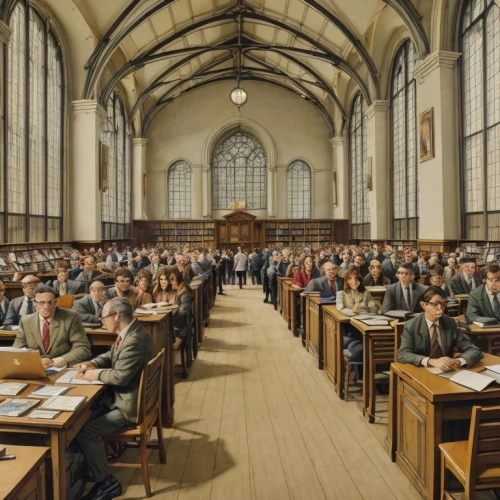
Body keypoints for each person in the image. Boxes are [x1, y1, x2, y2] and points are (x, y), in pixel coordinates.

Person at [74, 298, 157, 500]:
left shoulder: (134, 340)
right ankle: (89, 467)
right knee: (84, 415)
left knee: (84, 430)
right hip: (132, 398)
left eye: (104, 317)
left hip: (130, 406)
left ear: (117, 315)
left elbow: (120, 377)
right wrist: (94, 362)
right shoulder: (130, 332)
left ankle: (106, 482)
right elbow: (112, 354)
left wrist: (96, 375)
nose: (102, 321)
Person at [397, 287, 483, 369]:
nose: (440, 309)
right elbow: (402, 354)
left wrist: (459, 361)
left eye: (443, 304)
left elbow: (474, 350)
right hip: (421, 371)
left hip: (446, 371)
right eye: (435, 304)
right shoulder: (411, 325)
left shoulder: (450, 323)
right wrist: (431, 361)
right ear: (424, 305)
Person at [13, 284, 91, 368]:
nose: (46, 307)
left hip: (62, 367)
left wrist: (62, 360)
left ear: (55, 303)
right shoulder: (25, 321)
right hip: (34, 368)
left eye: (50, 302)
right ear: (35, 304)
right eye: (41, 303)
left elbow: (83, 348)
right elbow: (17, 350)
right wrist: (35, 361)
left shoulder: (71, 317)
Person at [337, 269, 378, 361]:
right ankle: (359, 357)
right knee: (361, 338)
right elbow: (340, 309)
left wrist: (373, 307)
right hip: (351, 324)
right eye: (350, 279)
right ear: (346, 281)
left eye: (357, 280)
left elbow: (373, 308)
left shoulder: (366, 292)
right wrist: (354, 311)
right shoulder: (341, 294)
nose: (354, 282)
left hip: (367, 319)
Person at [167, 268, 193, 339]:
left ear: (178, 278)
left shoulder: (185, 293)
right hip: (178, 324)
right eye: (170, 280)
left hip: (183, 328)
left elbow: (183, 313)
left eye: (172, 279)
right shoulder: (177, 291)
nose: (171, 282)